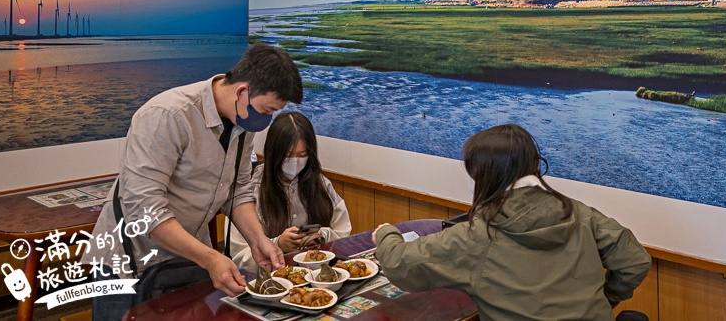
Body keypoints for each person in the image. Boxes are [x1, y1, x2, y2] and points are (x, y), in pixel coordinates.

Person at [85, 42, 304, 321]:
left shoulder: (242, 119)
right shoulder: (167, 115)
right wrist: (210, 258)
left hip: (186, 259)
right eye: (266, 110)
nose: (267, 119)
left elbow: (237, 190)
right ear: (241, 91)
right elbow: (145, 209)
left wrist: (257, 239)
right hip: (129, 262)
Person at [372, 123, 652, 321]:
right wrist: (604, 299)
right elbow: (635, 262)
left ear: (485, 174)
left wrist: (386, 234)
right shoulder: (581, 215)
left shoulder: (480, 234)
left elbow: (400, 265)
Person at [228, 111, 351, 271]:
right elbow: (238, 256)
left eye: (302, 155)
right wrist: (278, 244)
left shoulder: (319, 183)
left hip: (317, 275)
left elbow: (345, 233)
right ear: (273, 153)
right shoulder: (250, 189)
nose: (295, 162)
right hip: (270, 281)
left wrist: (324, 236)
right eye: (288, 155)